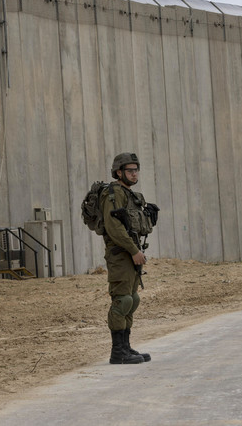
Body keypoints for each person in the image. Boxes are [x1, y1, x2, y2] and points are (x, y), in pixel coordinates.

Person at [101, 152, 158, 365]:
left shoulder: (129, 194)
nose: (135, 174)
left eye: (136, 170)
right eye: (130, 171)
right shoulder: (113, 194)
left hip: (131, 252)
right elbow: (113, 227)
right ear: (119, 172)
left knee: (132, 300)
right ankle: (117, 352)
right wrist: (134, 251)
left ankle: (126, 346)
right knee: (122, 300)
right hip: (120, 254)